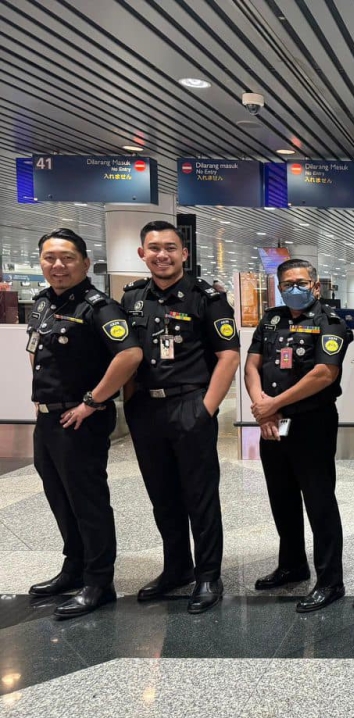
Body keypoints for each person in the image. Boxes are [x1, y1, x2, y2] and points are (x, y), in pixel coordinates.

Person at [121, 220, 240, 615]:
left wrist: (206, 410)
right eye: (153, 248)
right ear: (142, 253)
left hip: (190, 404)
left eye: (170, 248)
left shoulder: (207, 298)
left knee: (199, 496)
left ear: (184, 253)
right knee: (162, 495)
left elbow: (228, 356)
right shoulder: (132, 299)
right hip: (146, 409)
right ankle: (176, 568)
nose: (162, 255)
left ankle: (208, 575)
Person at [26, 229, 142, 619]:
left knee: (87, 501)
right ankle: (72, 568)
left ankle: (98, 581)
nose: (57, 265)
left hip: (80, 421)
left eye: (67, 258)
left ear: (85, 263)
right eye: (49, 258)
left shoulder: (98, 307)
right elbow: (37, 351)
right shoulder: (43, 303)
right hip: (48, 418)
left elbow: (129, 356)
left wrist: (92, 401)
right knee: (59, 497)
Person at [244, 258, 353, 612]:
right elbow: (252, 365)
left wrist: (273, 403)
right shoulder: (271, 318)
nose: (295, 289)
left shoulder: (330, 322)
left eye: (302, 283)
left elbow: (324, 374)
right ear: (278, 286)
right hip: (271, 424)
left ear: (316, 286)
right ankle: (291, 564)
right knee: (282, 497)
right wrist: (262, 406)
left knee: (319, 501)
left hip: (311, 423)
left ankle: (330, 580)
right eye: (288, 283)